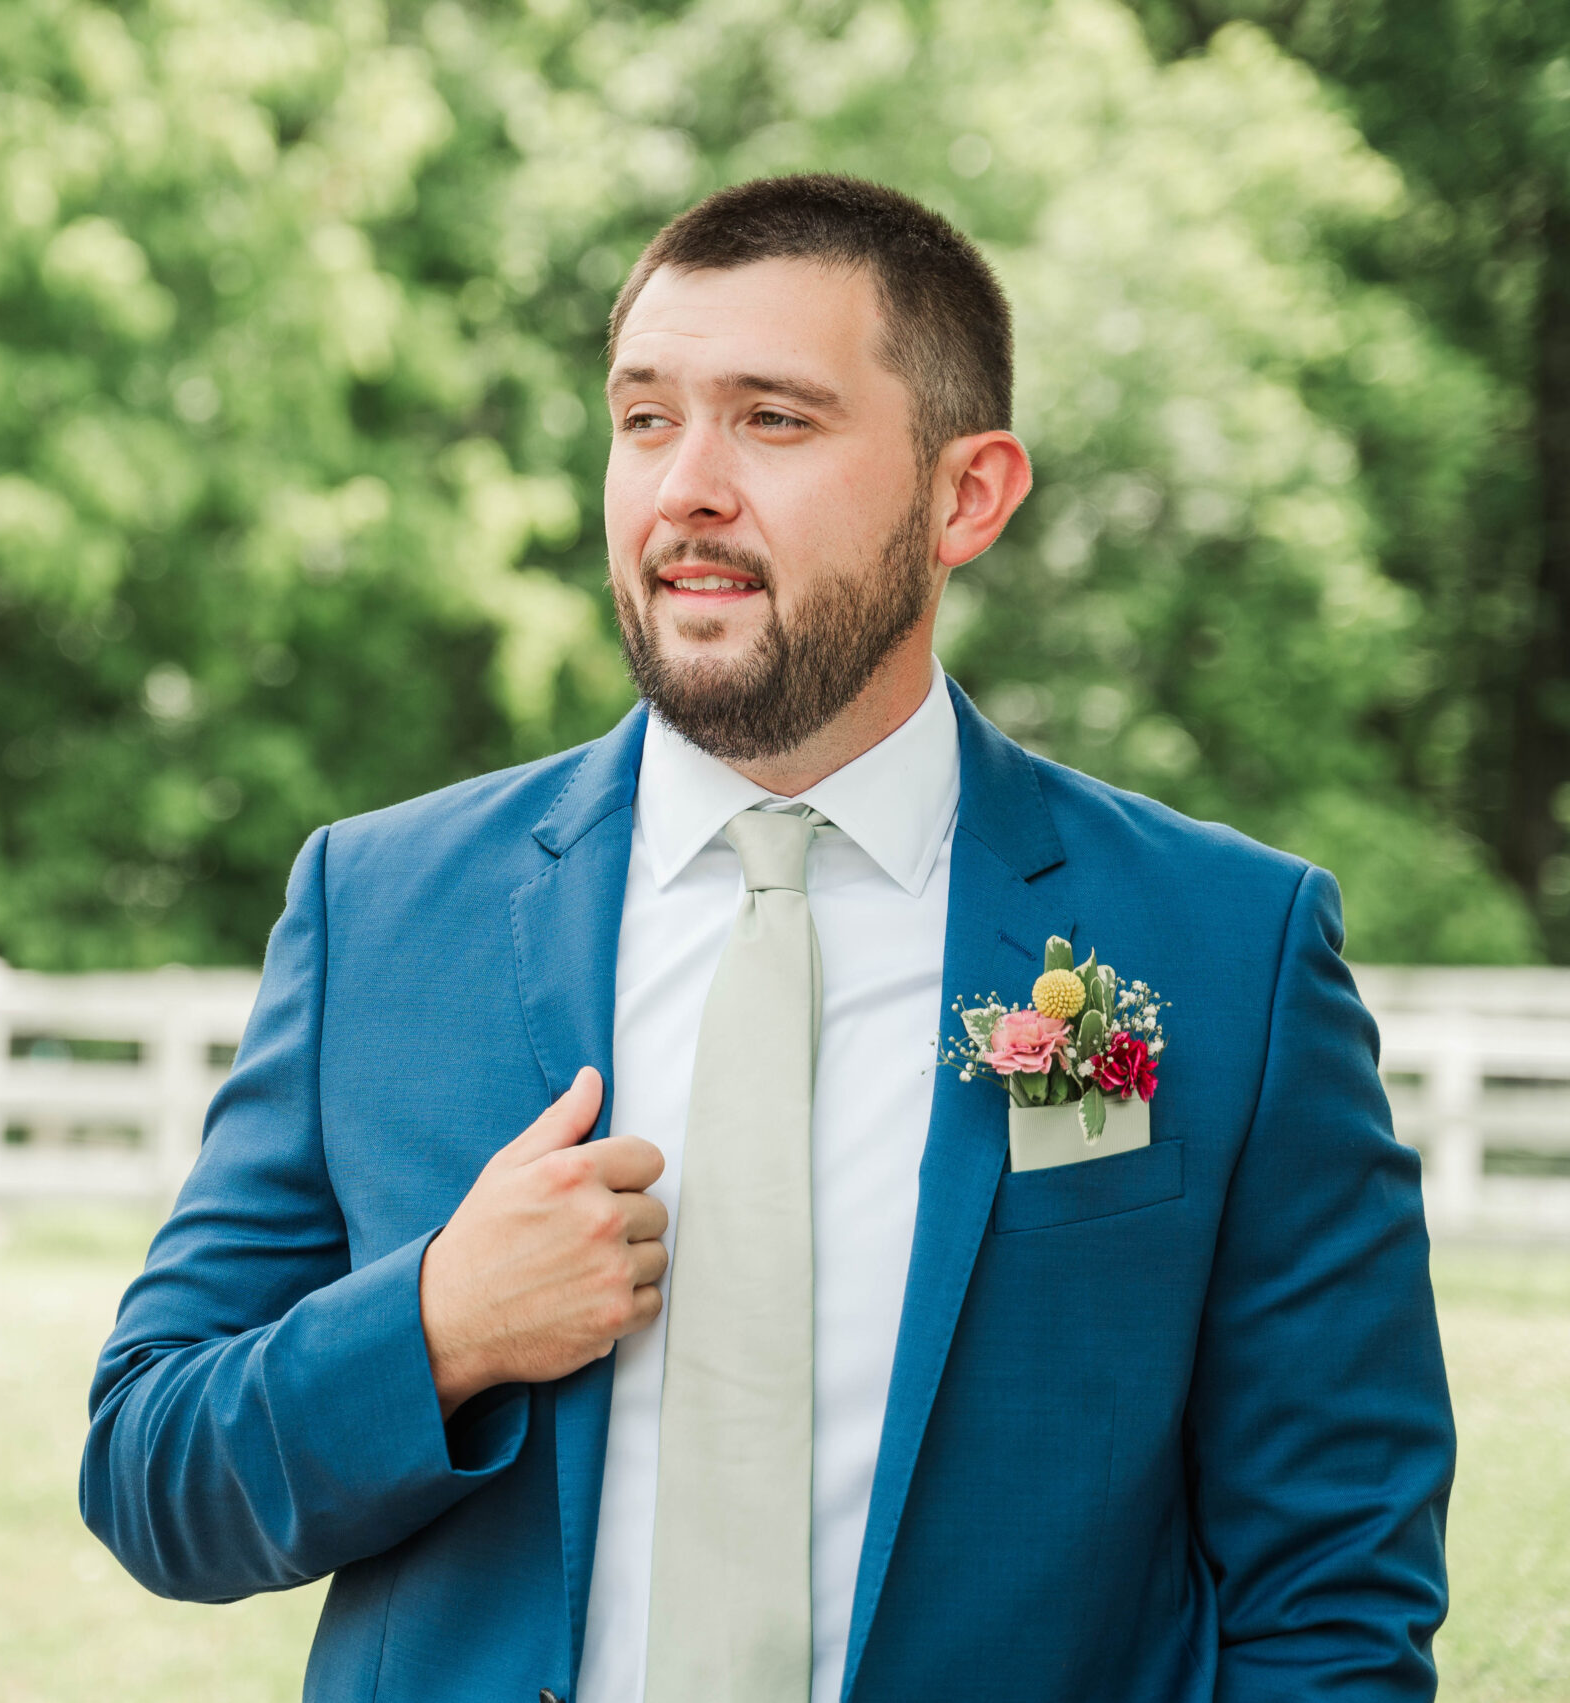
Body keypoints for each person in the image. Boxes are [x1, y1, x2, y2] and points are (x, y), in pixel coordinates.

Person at [80, 173, 1453, 1703]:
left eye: (773, 421)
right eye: (646, 418)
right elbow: (153, 1473)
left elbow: (1337, 1590)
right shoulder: (382, 907)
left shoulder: (1222, 948)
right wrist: (437, 1328)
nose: (685, 489)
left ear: (966, 495)